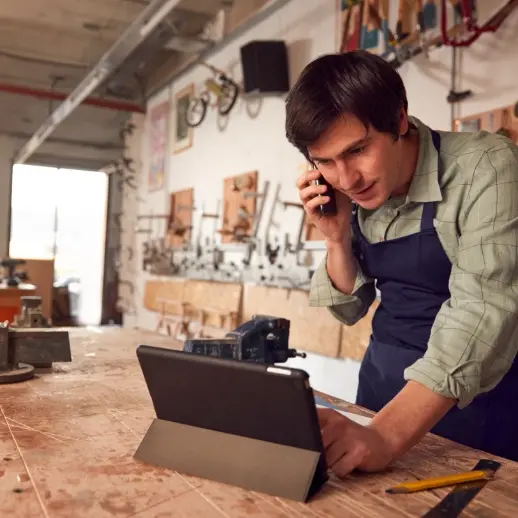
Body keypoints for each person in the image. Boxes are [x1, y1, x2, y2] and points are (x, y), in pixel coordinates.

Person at [286, 50, 518, 478]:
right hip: (380, 389)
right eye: (325, 162)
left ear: (399, 119)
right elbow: (349, 309)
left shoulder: (486, 166)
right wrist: (335, 237)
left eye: (357, 150)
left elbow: (483, 311)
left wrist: (386, 436)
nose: (347, 179)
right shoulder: (352, 191)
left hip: (472, 397)